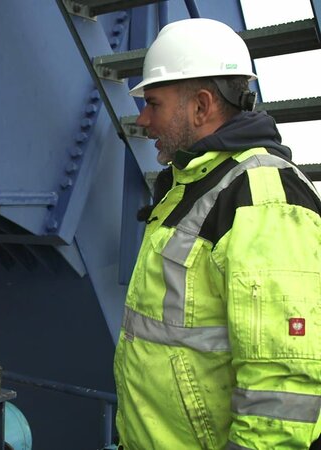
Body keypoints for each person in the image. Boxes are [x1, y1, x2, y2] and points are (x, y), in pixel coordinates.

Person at [115, 17, 321, 449]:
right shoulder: (191, 184)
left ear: (201, 106)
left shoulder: (263, 199)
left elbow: (281, 388)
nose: (143, 119)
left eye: (154, 103)